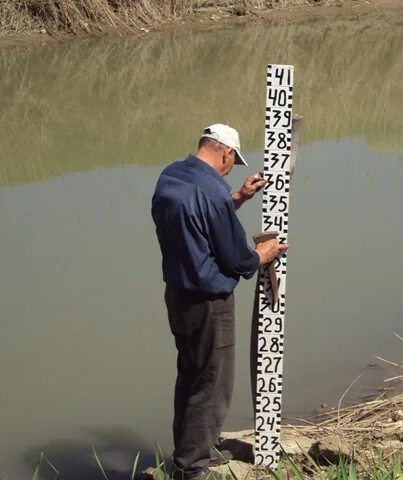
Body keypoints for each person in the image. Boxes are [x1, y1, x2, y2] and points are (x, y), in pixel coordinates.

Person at [151, 124, 289, 480]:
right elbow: (236, 259)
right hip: (210, 302)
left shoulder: (172, 177)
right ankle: (192, 467)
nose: (232, 169)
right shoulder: (213, 192)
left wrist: (239, 198)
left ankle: (189, 451)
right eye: (233, 161)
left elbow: (198, 219)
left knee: (190, 375)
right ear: (225, 152)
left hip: (179, 296)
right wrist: (262, 253)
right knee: (212, 382)